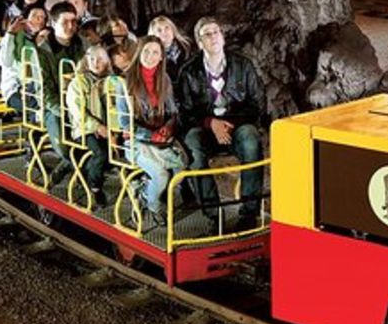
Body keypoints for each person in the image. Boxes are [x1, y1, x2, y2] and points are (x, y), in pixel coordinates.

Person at [176, 16, 265, 231]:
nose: (213, 37)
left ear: (223, 37)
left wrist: (228, 124)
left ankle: (249, 212)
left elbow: (257, 103)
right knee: (192, 145)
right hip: (205, 130)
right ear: (199, 42)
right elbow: (185, 113)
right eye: (207, 33)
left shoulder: (243, 65)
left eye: (216, 32)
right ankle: (213, 214)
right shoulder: (189, 72)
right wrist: (210, 123)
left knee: (251, 140)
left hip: (237, 127)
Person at [120, 36, 186, 228]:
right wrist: (151, 135)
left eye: (155, 52)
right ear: (139, 53)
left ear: (161, 57)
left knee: (182, 165)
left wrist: (169, 126)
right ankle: (153, 206)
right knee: (161, 174)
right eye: (146, 51)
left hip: (161, 139)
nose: (150, 56)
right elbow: (124, 123)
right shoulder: (124, 82)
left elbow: (173, 111)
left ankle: (147, 189)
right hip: (137, 141)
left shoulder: (164, 79)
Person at [35, 2, 86, 184]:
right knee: (66, 147)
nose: (71, 27)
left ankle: (73, 170)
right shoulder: (43, 53)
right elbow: (45, 91)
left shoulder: (82, 46)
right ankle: (70, 166)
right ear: (53, 23)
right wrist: (64, 110)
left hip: (83, 105)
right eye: (65, 22)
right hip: (56, 107)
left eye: (73, 22)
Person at [64, 45, 112, 205]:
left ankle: (82, 170)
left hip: (108, 127)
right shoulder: (78, 83)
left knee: (117, 154)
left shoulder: (111, 81)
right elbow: (78, 112)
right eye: (92, 59)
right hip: (84, 128)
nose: (95, 62)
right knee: (101, 153)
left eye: (100, 59)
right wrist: (97, 127)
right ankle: (94, 186)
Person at [0, 4, 49, 117]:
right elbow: (5, 61)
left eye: (43, 17)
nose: (40, 20)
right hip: (15, 88)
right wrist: (10, 33)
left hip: (38, 86)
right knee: (38, 106)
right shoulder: (14, 38)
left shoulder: (44, 38)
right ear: (25, 19)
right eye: (35, 16)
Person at [148, 15, 193, 82]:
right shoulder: (153, 57)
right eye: (159, 30)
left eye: (167, 28)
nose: (164, 32)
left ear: (173, 30)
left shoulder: (187, 46)